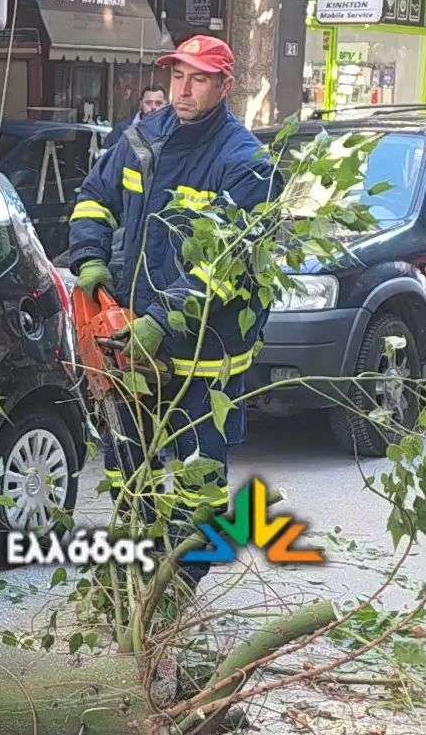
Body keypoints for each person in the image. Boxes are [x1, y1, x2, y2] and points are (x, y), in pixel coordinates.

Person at [67, 36, 276, 585]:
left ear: (225, 86)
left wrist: (162, 322)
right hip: (130, 340)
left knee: (197, 479)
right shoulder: (140, 139)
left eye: (199, 78)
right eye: (179, 76)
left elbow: (228, 264)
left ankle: (178, 587)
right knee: (126, 465)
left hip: (201, 355)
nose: (185, 89)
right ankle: (132, 575)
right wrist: (90, 259)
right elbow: (94, 195)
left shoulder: (245, 162)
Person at [107, 85, 168, 150]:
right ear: (141, 103)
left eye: (158, 103)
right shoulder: (121, 130)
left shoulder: (172, 132)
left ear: (165, 105)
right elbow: (106, 158)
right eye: (148, 103)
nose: (153, 107)